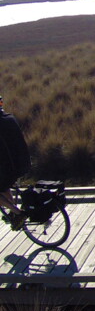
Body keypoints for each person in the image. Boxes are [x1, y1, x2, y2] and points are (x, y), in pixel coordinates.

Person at [0, 95, 31, 230]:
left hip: (9, 168)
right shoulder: (9, 118)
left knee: (3, 182)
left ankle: (18, 213)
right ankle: (13, 213)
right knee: (4, 186)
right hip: (20, 165)